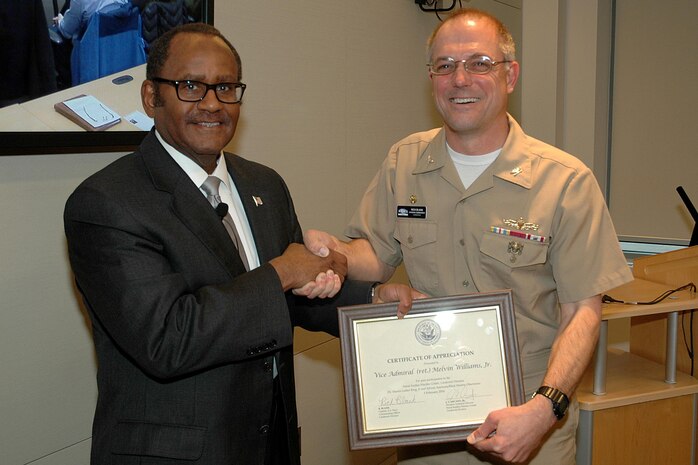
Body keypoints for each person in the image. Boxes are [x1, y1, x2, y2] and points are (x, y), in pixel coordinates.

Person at [64, 23, 421, 465]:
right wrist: (282, 272)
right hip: (177, 454)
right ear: (151, 97)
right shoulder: (107, 203)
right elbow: (167, 339)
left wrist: (370, 300)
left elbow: (292, 298)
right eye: (191, 86)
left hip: (268, 441)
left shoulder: (263, 184)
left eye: (226, 87)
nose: (212, 104)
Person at [301, 8, 633, 465]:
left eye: (479, 63)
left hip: (528, 424)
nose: (460, 79)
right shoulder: (404, 162)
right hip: (427, 422)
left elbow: (582, 312)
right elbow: (374, 258)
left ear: (510, 75)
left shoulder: (565, 182)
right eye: (445, 65)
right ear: (432, 77)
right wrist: (331, 254)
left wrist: (543, 410)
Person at [53, 0, 128, 40]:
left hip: (89, 52)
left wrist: (60, 20)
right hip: (118, 46)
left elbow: (67, 32)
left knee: (54, 33)